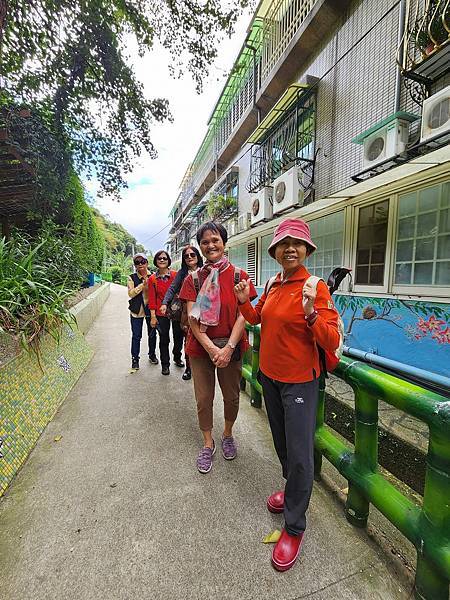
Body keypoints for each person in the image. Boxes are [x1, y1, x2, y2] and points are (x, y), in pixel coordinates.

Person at [234, 218, 340, 572]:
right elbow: (256, 317)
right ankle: (293, 492)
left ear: (307, 250)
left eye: (297, 243)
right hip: (271, 377)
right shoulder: (273, 282)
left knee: (299, 455)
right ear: (275, 252)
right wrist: (242, 301)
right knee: (281, 444)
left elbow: (331, 340)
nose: (290, 248)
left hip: (300, 382)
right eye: (283, 243)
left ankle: (294, 526)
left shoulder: (315, 286)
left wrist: (310, 313)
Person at [179, 221, 257, 474]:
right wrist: (212, 348)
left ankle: (227, 434)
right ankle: (207, 442)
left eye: (215, 240)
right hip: (201, 349)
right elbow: (192, 318)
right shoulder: (194, 278)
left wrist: (228, 347)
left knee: (232, 396)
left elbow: (244, 315)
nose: (210, 245)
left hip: (231, 346)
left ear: (224, 243)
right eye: (205, 242)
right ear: (200, 247)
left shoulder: (238, 275)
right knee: (203, 398)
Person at [160, 245, 203, 381]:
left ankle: (201, 368)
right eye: (186, 256)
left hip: (204, 312)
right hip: (185, 312)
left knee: (202, 340)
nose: (189, 257)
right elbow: (172, 288)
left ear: (198, 256)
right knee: (187, 340)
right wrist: (164, 303)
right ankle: (189, 368)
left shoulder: (205, 271)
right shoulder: (182, 273)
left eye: (192, 255)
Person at [148, 250, 184, 376]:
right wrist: (153, 316)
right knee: (164, 339)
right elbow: (152, 299)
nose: (162, 260)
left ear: (169, 260)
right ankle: (165, 364)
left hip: (176, 311)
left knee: (178, 336)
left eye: (164, 258)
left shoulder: (175, 275)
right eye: (159, 258)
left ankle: (177, 356)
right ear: (156, 262)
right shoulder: (152, 279)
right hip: (161, 312)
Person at [127, 253, 158, 370]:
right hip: (136, 311)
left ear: (147, 263)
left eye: (143, 261)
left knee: (152, 334)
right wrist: (142, 285)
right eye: (137, 262)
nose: (140, 264)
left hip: (151, 311)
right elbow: (131, 293)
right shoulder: (131, 277)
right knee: (136, 336)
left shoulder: (154, 276)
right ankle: (135, 359)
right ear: (135, 265)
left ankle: (152, 355)